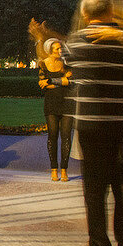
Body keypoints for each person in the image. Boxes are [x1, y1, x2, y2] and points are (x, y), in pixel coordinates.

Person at [62, 0, 123, 246]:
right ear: (112, 11)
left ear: (86, 14)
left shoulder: (76, 42)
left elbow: (67, 66)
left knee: (95, 190)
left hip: (90, 124)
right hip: (121, 122)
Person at [38, 38, 73, 182]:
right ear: (49, 50)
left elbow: (70, 82)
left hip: (67, 104)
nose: (60, 51)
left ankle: (64, 169)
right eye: (57, 49)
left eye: (61, 48)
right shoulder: (43, 64)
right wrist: (62, 81)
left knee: (66, 137)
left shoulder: (66, 63)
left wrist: (51, 81)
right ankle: (54, 169)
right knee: (52, 136)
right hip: (51, 104)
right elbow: (42, 85)